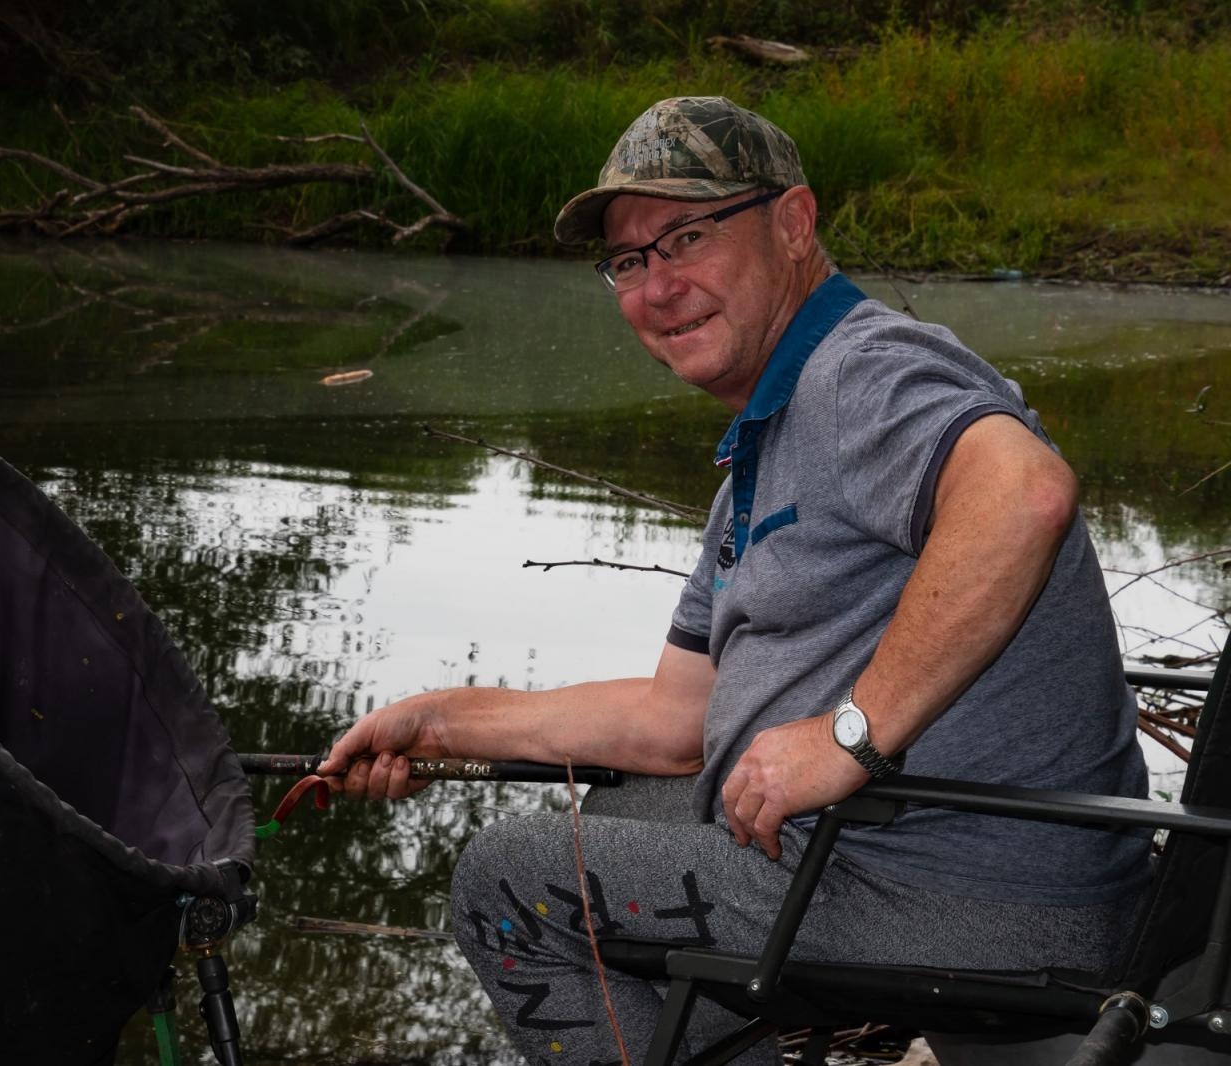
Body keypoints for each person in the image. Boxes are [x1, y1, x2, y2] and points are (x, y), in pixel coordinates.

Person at [317, 97, 1151, 1064]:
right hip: (903, 863)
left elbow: (1022, 492)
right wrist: (439, 719)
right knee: (627, 816)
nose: (656, 286)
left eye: (687, 237)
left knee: (507, 882)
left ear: (794, 224)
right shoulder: (771, 439)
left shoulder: (861, 370)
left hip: (983, 899)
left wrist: (852, 734)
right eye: (629, 261)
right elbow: (678, 723)